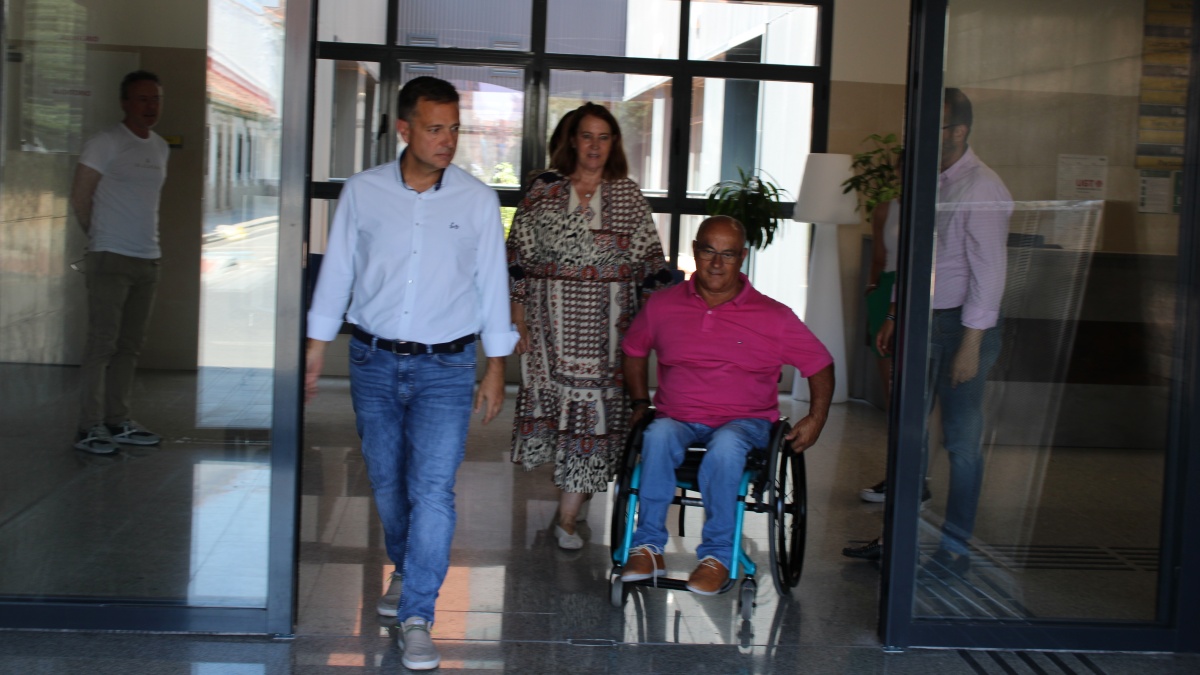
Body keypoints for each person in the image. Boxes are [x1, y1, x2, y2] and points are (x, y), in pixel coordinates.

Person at [305, 76, 517, 671]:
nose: (447, 140)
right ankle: (407, 568)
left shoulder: (477, 200)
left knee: (432, 490)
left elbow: (492, 285)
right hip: (372, 361)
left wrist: (495, 367)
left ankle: (418, 613)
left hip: (447, 367)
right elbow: (339, 269)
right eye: (434, 128)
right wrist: (316, 347)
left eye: (454, 129)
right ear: (404, 129)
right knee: (387, 483)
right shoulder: (363, 192)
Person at [618, 216, 835, 594]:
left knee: (727, 445)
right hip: (679, 417)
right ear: (694, 251)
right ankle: (648, 547)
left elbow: (820, 364)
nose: (717, 263)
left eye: (728, 254)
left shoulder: (773, 316)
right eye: (708, 251)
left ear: (743, 257)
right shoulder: (662, 306)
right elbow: (634, 350)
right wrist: (639, 400)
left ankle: (717, 555)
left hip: (744, 422)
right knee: (657, 434)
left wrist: (816, 418)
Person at [858, 88, 1011, 574]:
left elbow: (990, 273)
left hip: (961, 326)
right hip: (922, 319)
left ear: (958, 132)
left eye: (932, 128)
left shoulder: (981, 187)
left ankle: (955, 550)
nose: (918, 137)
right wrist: (895, 314)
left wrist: (970, 344)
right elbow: (919, 258)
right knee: (909, 432)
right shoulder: (933, 182)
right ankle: (895, 538)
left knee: (961, 443)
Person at [507, 102, 671, 550]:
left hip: (609, 334)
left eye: (604, 137)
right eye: (587, 136)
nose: (595, 146)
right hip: (549, 330)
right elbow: (518, 256)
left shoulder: (628, 195)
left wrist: (653, 330)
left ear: (614, 143)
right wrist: (518, 318)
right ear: (572, 141)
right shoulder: (543, 190)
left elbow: (652, 265)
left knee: (592, 415)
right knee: (562, 416)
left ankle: (566, 517)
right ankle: (573, 498)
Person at [71, 70, 170, 455]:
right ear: (125, 102)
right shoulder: (106, 142)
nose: (150, 106)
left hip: (147, 259)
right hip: (110, 258)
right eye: (142, 99)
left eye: (155, 99)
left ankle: (118, 420)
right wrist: (100, 239)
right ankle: (88, 426)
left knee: (130, 346)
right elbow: (80, 196)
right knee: (102, 344)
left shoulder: (159, 147)